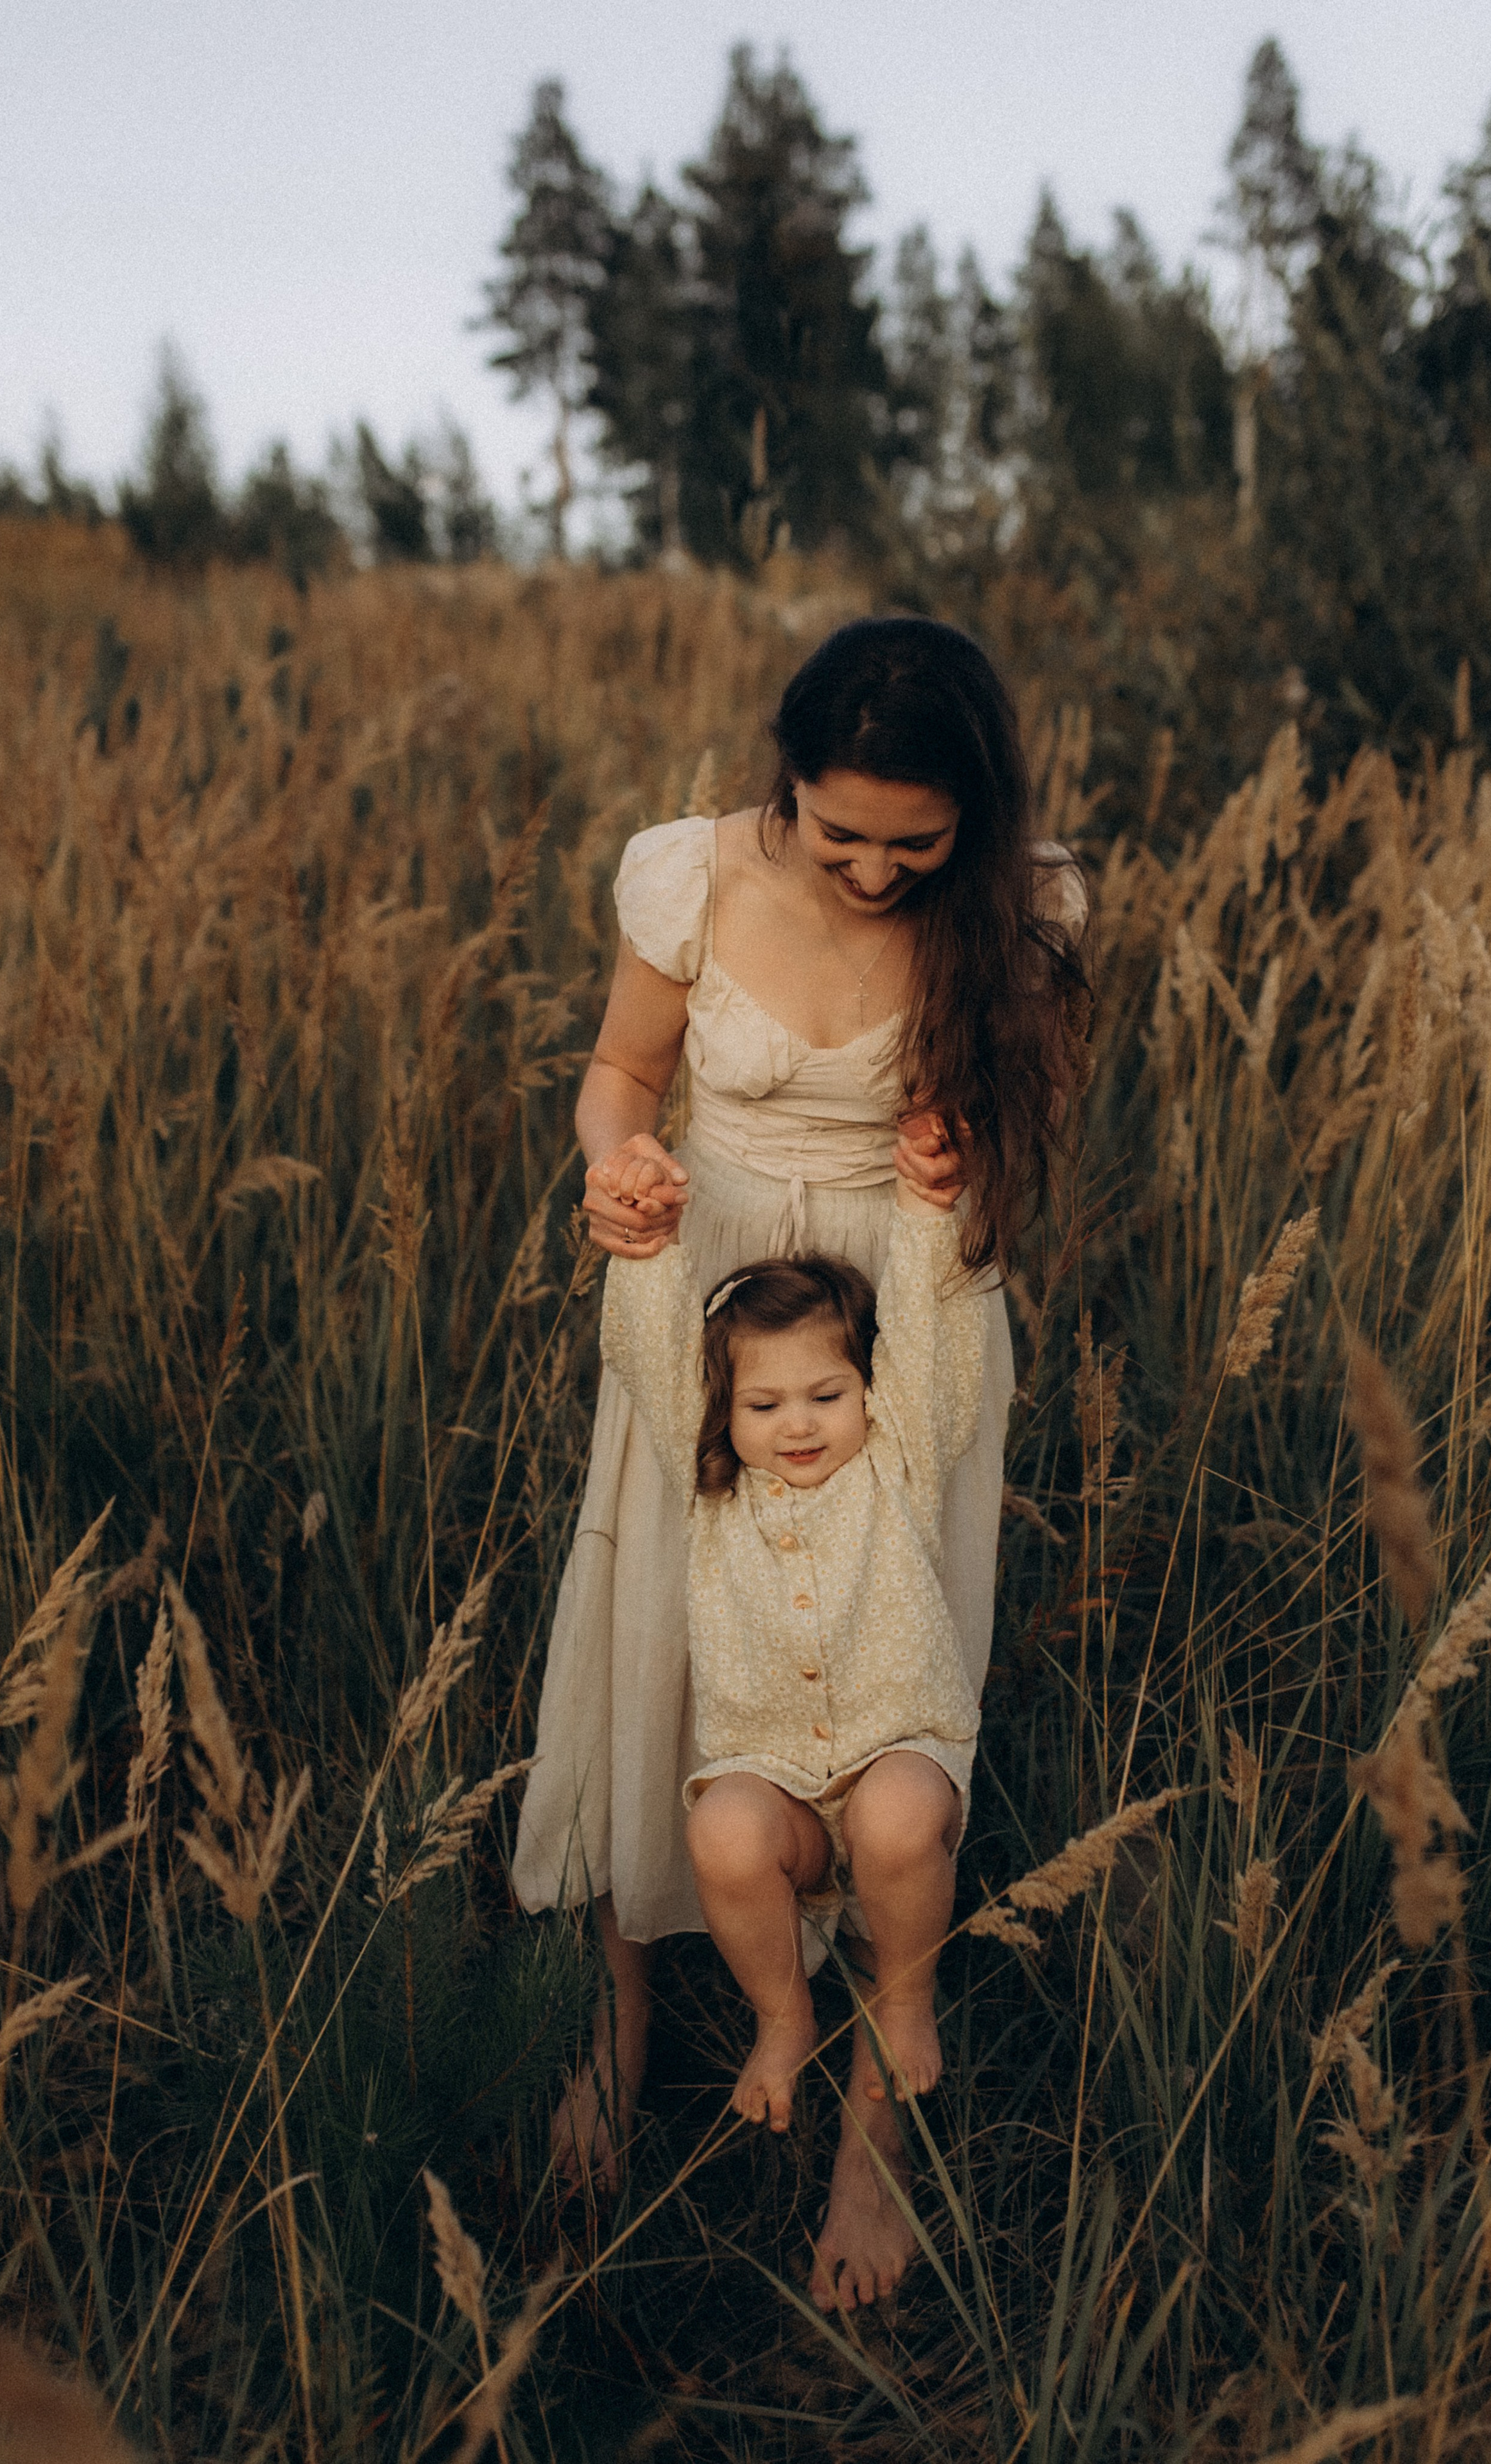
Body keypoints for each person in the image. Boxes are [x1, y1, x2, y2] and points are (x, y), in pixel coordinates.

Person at [511, 615, 1089, 2311]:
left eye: (919, 844)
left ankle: (872, 2129)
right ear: (787, 784)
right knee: (661, 1637)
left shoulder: (1026, 905)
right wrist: (619, 1171)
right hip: (717, 1298)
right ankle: (619, 2031)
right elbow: (620, 1078)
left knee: (894, 1671)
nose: (876, 870)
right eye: (841, 834)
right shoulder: (691, 878)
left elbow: (1016, 1160)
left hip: (909, 1317)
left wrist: (965, 1165)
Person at [599, 1151, 983, 2152]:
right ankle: (783, 2017)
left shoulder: (898, 1457)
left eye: (827, 1395)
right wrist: (646, 1252)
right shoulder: (717, 1489)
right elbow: (653, 1357)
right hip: (773, 1778)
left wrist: (928, 1207)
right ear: (725, 1417)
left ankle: (902, 2000)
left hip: (896, 1755)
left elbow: (934, 1340)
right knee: (721, 1832)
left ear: (869, 1389)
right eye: (764, 1408)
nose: (799, 1425)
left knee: (897, 1816)